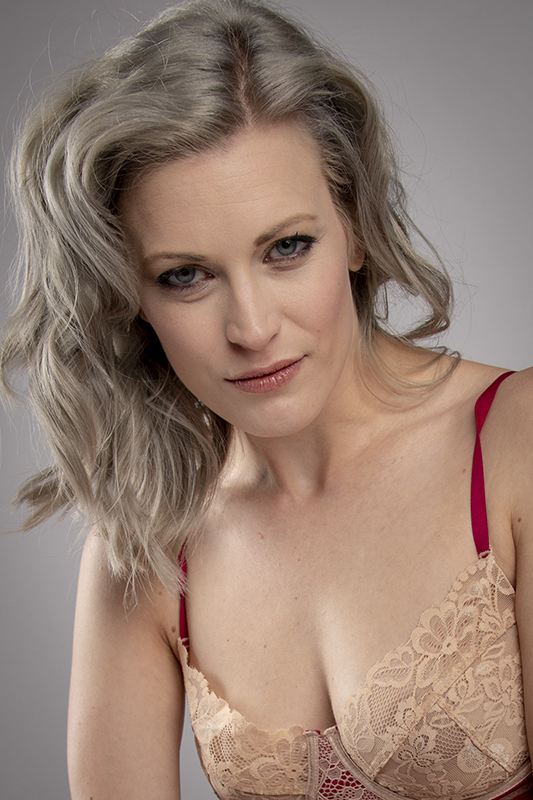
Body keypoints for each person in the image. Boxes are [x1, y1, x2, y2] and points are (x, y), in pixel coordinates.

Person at [1, 0, 531, 798]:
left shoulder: (515, 442)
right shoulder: (148, 540)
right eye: (185, 275)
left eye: (286, 247)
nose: (251, 328)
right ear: (128, 297)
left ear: (354, 229)